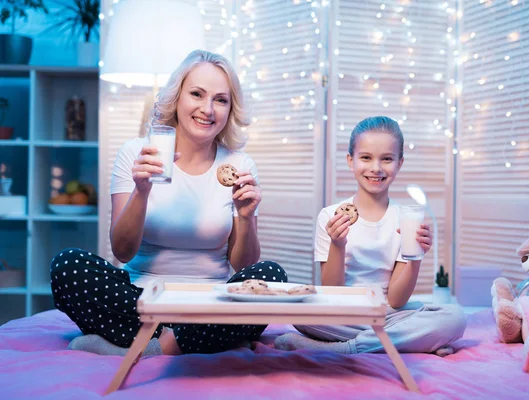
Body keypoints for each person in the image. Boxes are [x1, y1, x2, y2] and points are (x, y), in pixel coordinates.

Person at [50, 50, 287, 356]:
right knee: (67, 266)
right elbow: (122, 251)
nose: (207, 109)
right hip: (140, 301)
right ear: (177, 98)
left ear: (230, 108)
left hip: (210, 301)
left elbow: (244, 265)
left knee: (271, 276)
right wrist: (141, 191)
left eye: (220, 99)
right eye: (197, 94)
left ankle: (149, 347)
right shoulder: (137, 154)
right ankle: (202, 339)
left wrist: (245, 216)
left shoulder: (240, 165)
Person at [274, 116, 466, 355]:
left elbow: (396, 300)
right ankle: (410, 341)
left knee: (455, 317)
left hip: (390, 314)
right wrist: (337, 243)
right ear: (350, 161)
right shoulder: (329, 216)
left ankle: (346, 348)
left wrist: (416, 256)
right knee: (299, 311)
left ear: (399, 163)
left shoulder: (405, 219)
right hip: (344, 314)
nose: (376, 168)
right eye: (366, 157)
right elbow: (332, 290)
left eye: (387, 159)